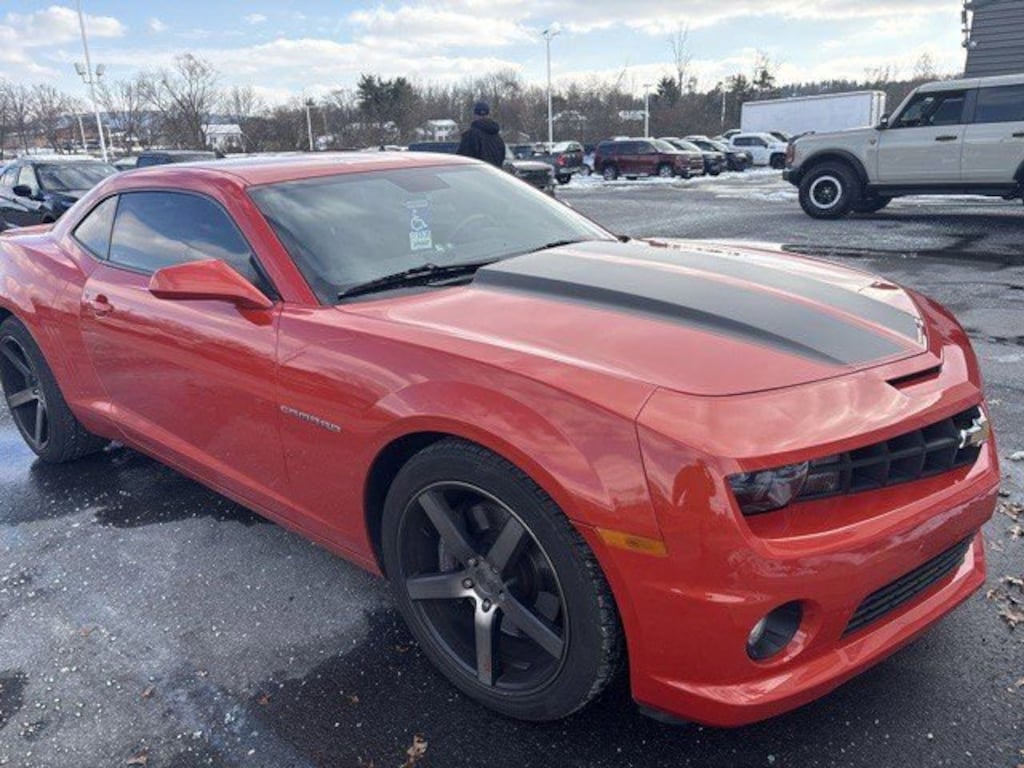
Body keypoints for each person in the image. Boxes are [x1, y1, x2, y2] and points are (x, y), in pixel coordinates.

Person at [456, 101, 506, 168]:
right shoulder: (498, 138)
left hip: (477, 175)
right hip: (495, 175)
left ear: (475, 115)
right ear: (488, 115)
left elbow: (461, 160)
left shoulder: (470, 136)